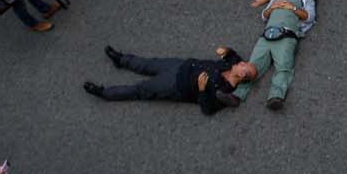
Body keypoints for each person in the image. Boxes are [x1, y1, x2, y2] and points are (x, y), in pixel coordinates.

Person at [83, 45, 255, 115]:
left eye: (243, 65)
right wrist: (227, 50)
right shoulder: (232, 64)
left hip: (175, 85)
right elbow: (233, 55)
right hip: (181, 65)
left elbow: (208, 109)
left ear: (240, 76)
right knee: (147, 63)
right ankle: (121, 60)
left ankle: (104, 93)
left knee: (140, 89)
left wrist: (202, 89)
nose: (241, 62)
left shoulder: (224, 91)